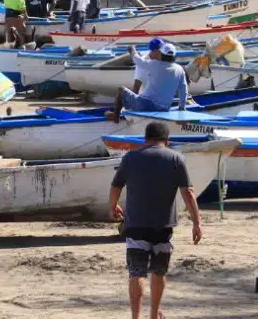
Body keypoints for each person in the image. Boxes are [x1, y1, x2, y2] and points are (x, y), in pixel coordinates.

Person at [109, 120, 203, 319]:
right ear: (166, 140)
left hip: (135, 226)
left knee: (136, 273)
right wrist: (197, 223)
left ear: (145, 139)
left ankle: (136, 317)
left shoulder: (131, 158)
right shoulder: (176, 158)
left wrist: (113, 206)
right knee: (158, 273)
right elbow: (188, 192)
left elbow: (116, 185)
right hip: (163, 226)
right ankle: (153, 315)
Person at [111, 39, 188, 119]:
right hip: (164, 108)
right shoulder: (180, 69)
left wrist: (132, 50)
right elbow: (183, 91)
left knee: (121, 89)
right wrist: (182, 108)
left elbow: (138, 61)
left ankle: (115, 117)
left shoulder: (155, 63)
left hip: (145, 105)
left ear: (161, 53)